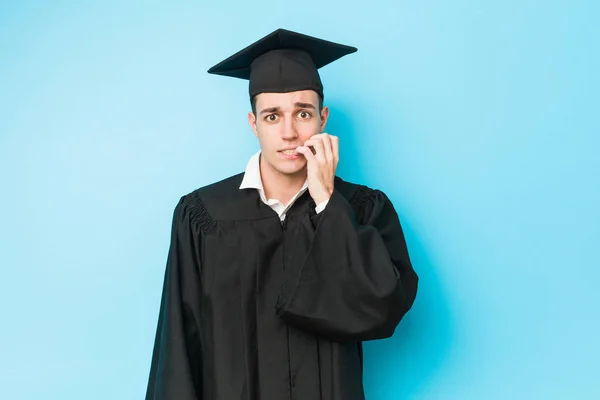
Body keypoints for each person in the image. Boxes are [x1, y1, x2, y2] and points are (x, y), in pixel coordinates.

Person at [145, 28, 418, 400]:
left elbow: (381, 307)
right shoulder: (203, 215)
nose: (289, 133)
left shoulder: (363, 209)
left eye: (302, 113)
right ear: (253, 124)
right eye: (272, 117)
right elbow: (179, 341)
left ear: (322, 118)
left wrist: (327, 204)